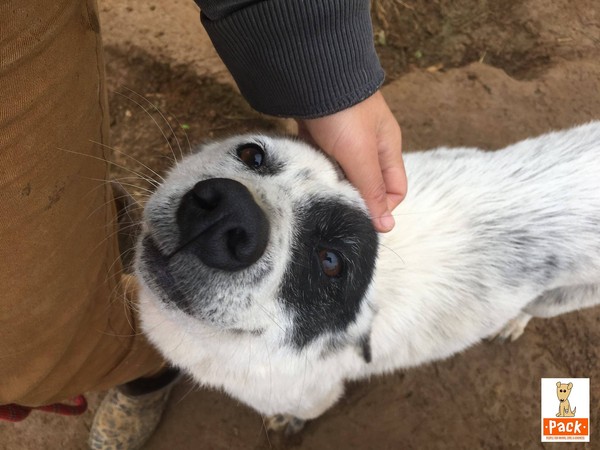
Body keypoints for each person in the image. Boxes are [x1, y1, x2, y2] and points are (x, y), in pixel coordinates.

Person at [0, 0, 406, 448]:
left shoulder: (344, 346)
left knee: (39, 339)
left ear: (350, 338)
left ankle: (148, 376)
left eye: (330, 260)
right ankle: (144, 359)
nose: (230, 209)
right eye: (253, 159)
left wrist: (332, 77)